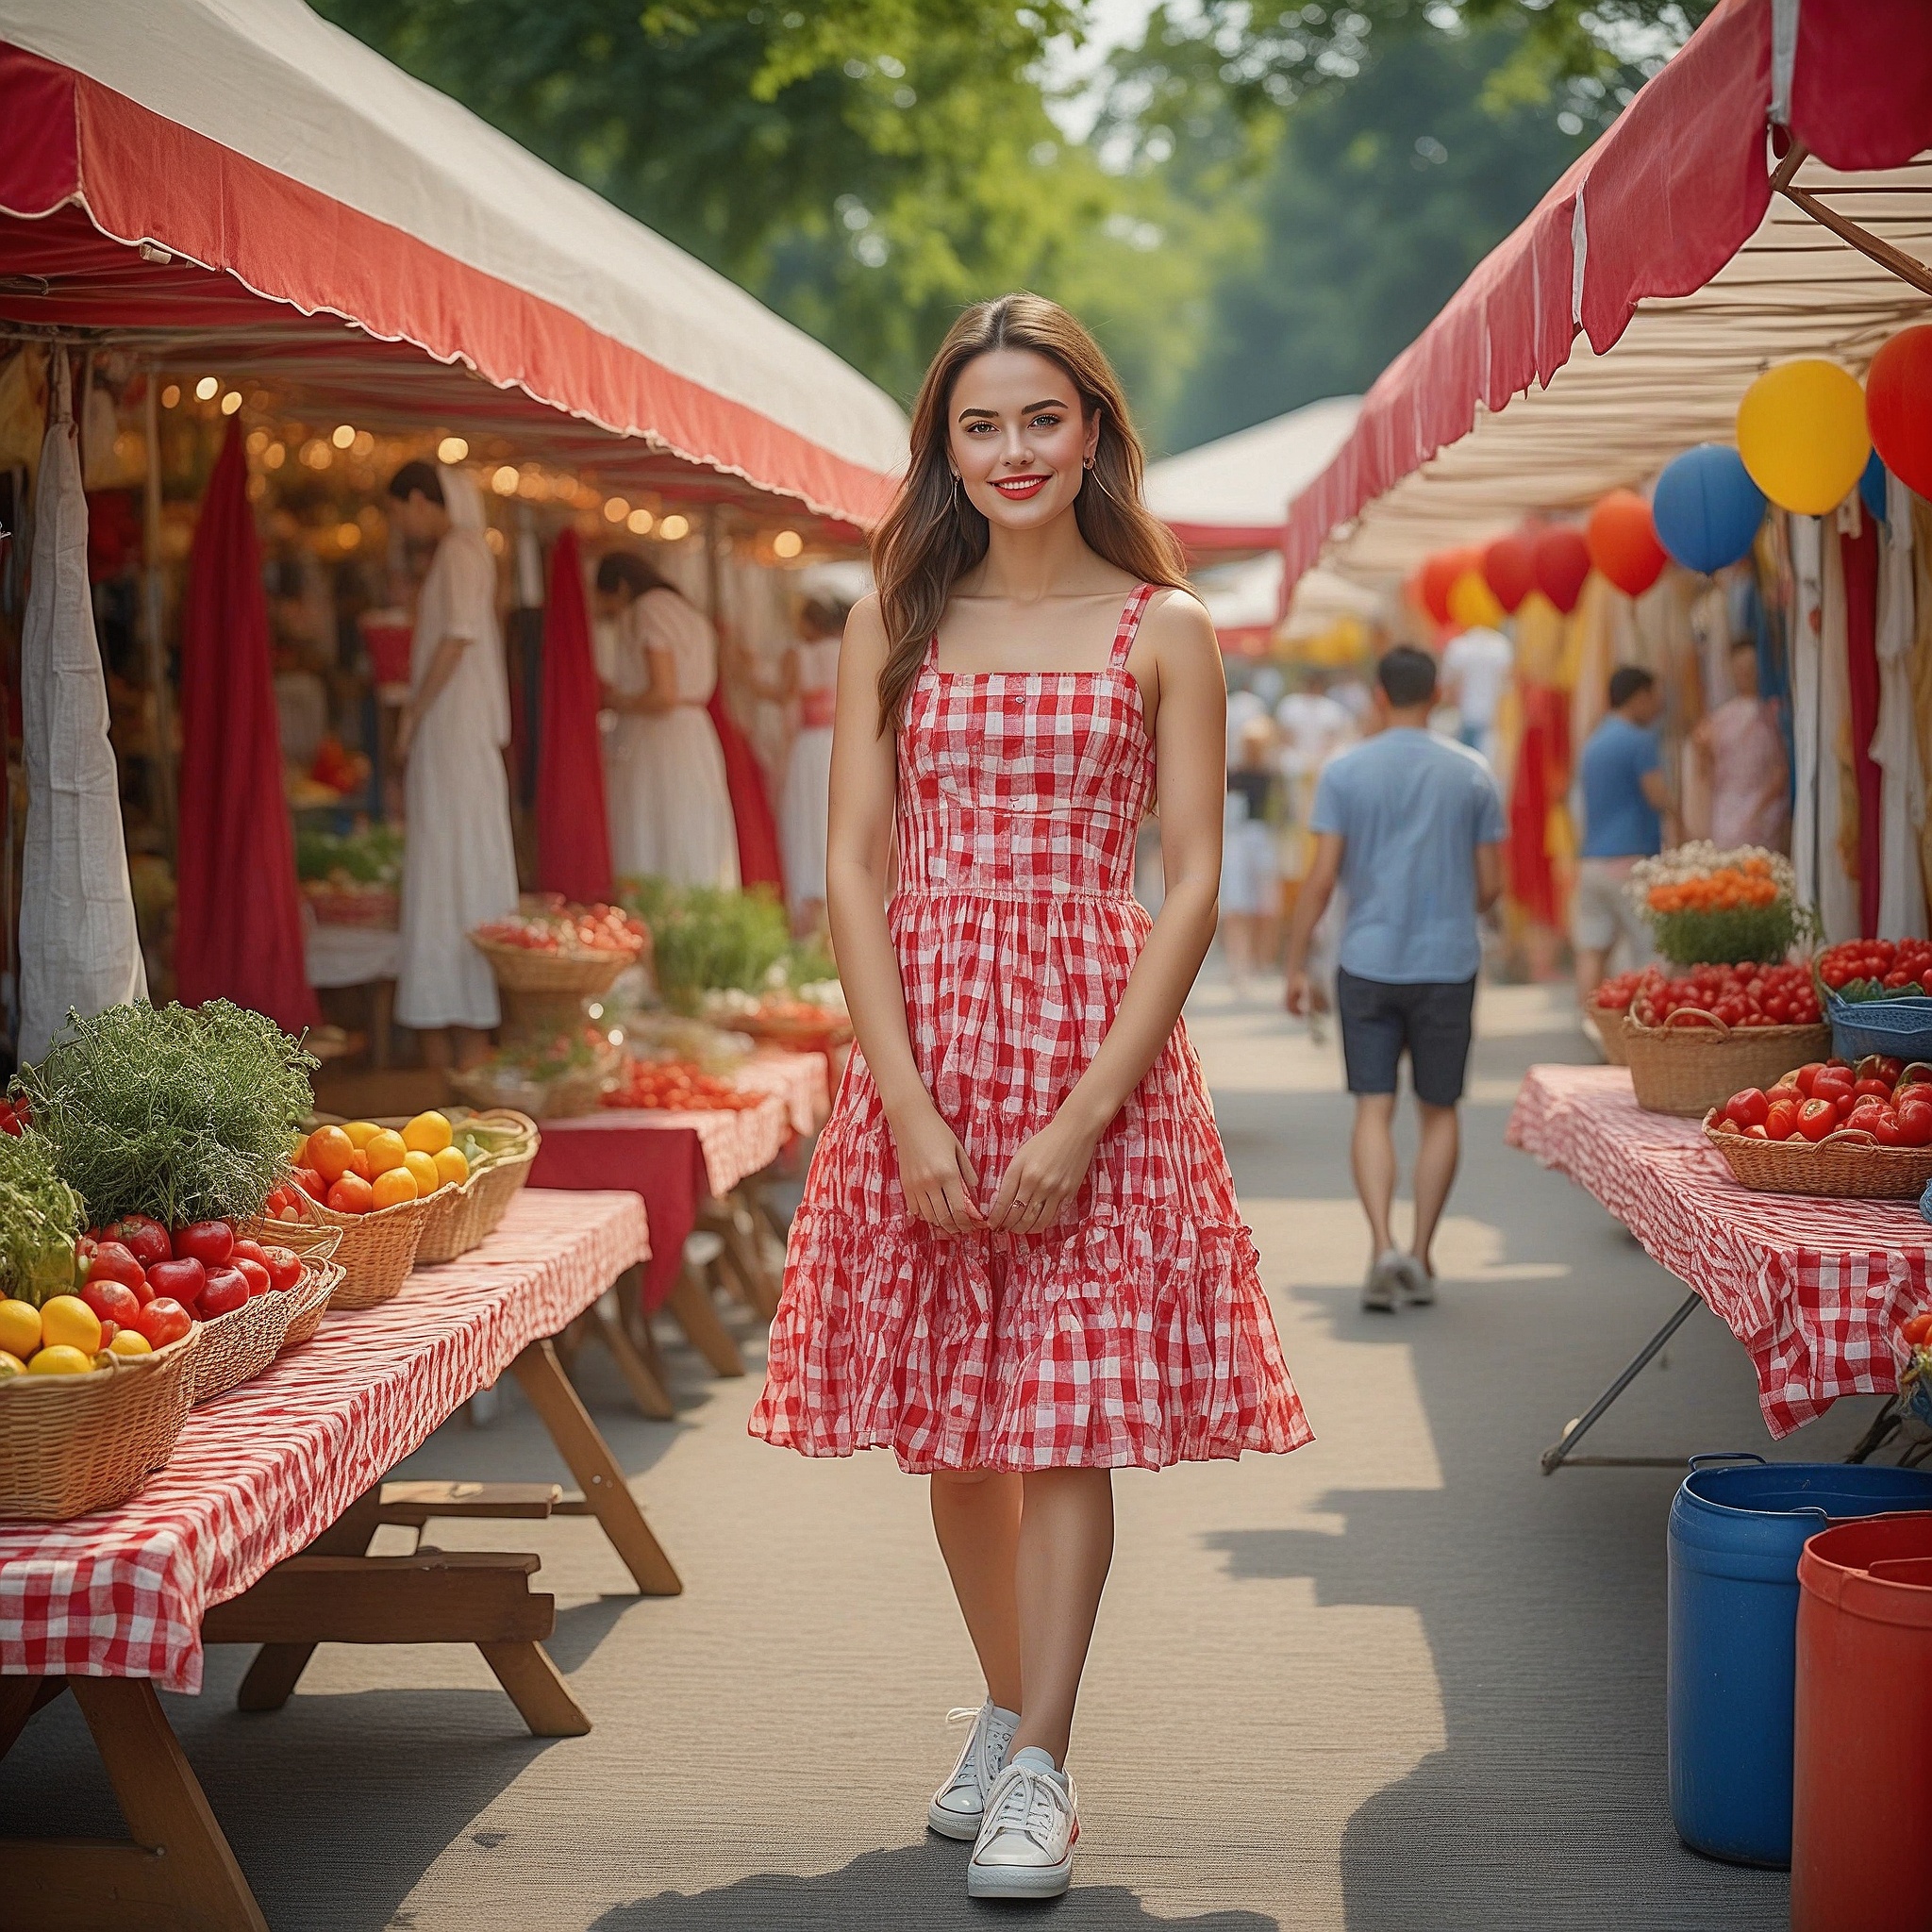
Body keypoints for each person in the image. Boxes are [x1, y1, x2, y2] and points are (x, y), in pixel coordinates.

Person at [748, 293, 1311, 1903]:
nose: (1010, 451)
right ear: (943, 444)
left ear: (1092, 432)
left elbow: (1193, 882)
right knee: (955, 1431)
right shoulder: (895, 615)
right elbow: (851, 870)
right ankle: (1002, 1705)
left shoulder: (1167, 627)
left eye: (1040, 419)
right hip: (921, 1039)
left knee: (1063, 1418)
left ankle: (1045, 1763)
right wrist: (903, 1103)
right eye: (978, 424)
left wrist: (1079, 1116)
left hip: (1094, 1040)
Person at [1282, 645, 1506, 1311]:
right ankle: (1424, 1253)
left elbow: (1322, 879)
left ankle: (1380, 1245)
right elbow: (1492, 887)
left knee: (1372, 1106)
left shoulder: (1344, 771)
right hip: (1448, 962)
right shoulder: (1473, 774)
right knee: (1439, 1112)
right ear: (1437, 694)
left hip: (1367, 962)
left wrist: (1295, 964)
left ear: (1378, 695)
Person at [387, 461, 518, 1071]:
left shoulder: (462, 552)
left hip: (454, 729)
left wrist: (413, 710)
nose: (398, 523)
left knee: (456, 870)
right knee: (448, 871)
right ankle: (449, 1042)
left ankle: (462, 1044)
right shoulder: (459, 553)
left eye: (399, 509)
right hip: (451, 732)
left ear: (419, 499)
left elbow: (459, 634)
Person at [593, 551, 739, 891]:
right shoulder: (686, 610)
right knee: (689, 828)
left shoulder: (648, 610)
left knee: (655, 826)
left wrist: (615, 700)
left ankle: (657, 918)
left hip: (660, 737)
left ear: (622, 587)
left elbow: (663, 693)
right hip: (694, 735)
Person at [738, 594, 848, 934]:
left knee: (804, 825)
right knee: (834, 823)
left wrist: (746, 669)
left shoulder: (797, 655)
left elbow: (786, 701)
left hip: (809, 747)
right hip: (839, 744)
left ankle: (806, 916)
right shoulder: (848, 648)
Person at [1574, 664, 1671, 1005]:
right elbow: (1656, 795)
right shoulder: (1640, 740)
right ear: (1639, 696)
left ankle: (1590, 1019)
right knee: (1649, 948)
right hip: (1630, 861)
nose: (1659, 705)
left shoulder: (1593, 742)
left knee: (1593, 947)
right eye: (1655, 696)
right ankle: (1644, 1025)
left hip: (1592, 861)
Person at [1694, 637, 1790, 851]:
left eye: (1751, 667)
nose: (1745, 673)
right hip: (1726, 809)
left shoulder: (1772, 714)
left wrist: (1759, 809)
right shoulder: (1720, 718)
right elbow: (1707, 771)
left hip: (1764, 810)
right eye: (1740, 668)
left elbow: (1780, 770)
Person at [1221, 714, 1282, 991]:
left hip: (1265, 839)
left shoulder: (1273, 776)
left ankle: (1261, 961)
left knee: (1267, 907)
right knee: (1236, 907)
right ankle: (1239, 965)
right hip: (1237, 839)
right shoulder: (1233, 775)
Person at [1441, 622, 1513, 765]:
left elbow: (1449, 684)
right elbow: (1508, 687)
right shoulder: (1502, 647)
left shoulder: (1459, 647)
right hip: (1492, 718)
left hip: (1466, 715)